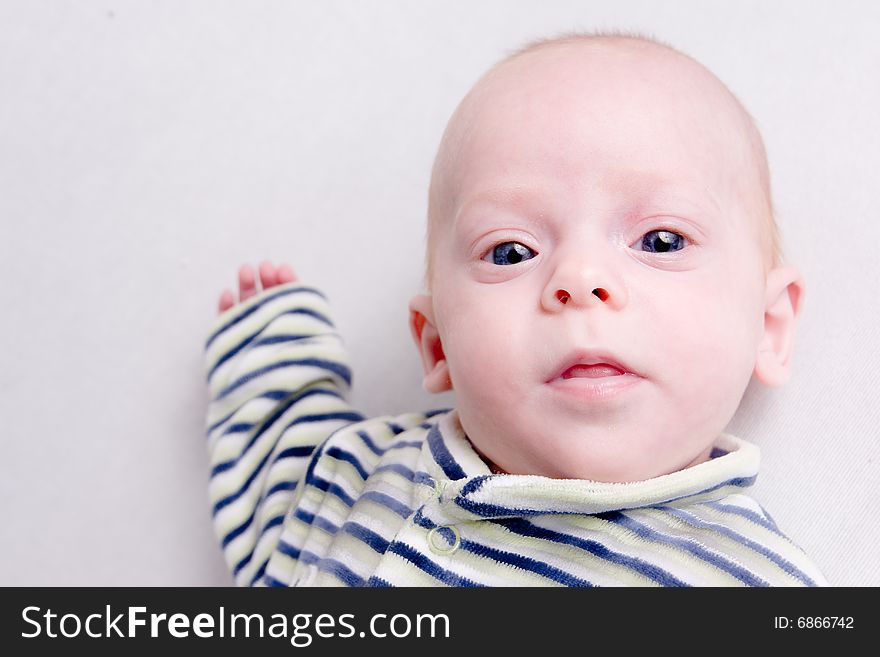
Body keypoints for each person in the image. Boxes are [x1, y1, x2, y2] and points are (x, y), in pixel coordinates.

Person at [204, 32, 826, 586]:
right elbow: (275, 499)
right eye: (510, 251)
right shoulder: (355, 471)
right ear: (438, 344)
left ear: (767, 327)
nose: (580, 281)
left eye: (660, 242)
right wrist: (273, 360)